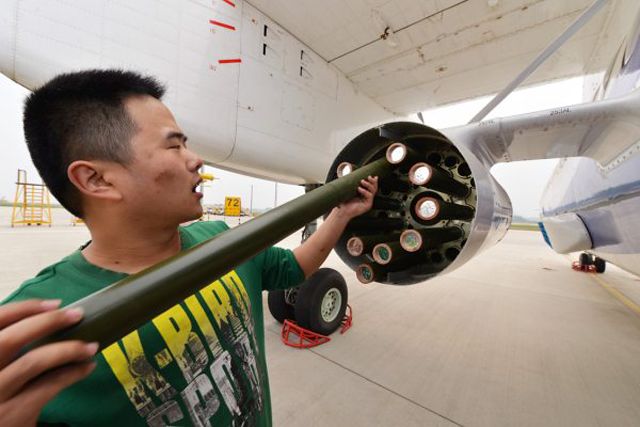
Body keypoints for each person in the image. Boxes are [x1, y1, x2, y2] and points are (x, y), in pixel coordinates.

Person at [0, 69, 378, 426]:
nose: (196, 160)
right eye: (174, 146)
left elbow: (295, 268)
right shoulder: (30, 331)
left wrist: (341, 215)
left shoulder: (224, 240)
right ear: (96, 179)